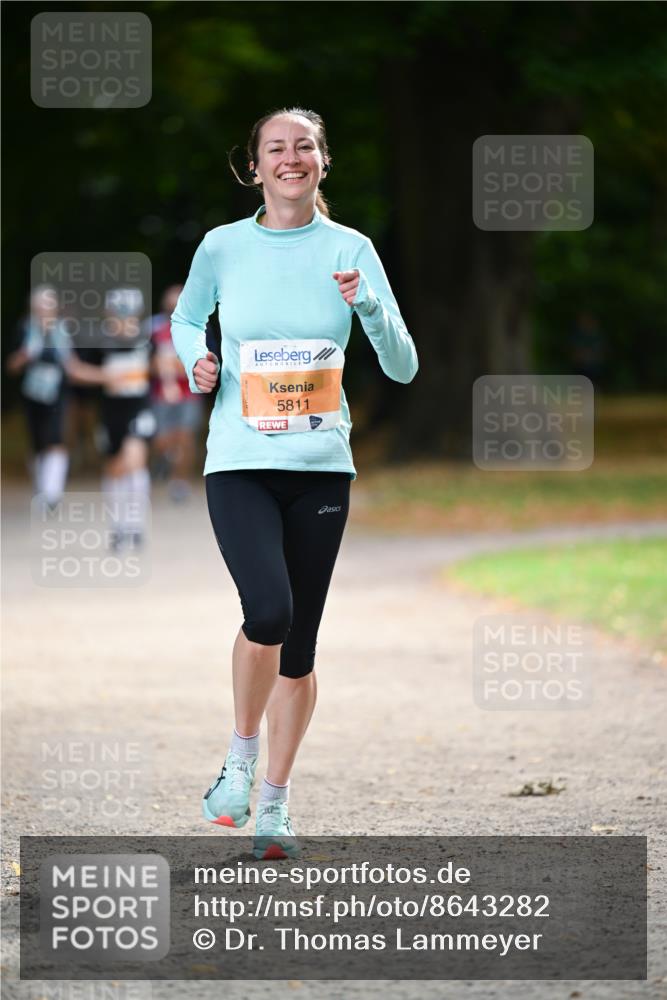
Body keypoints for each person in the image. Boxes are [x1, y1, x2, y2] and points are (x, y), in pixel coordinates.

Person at [171, 106, 418, 860]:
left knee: (300, 646)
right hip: (239, 462)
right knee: (269, 612)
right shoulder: (222, 246)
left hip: (320, 468)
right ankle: (239, 757)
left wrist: (366, 303)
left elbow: (403, 365)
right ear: (254, 167)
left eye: (303, 146)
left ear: (322, 160)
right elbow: (186, 321)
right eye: (275, 148)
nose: (290, 158)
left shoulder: (351, 249)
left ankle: (273, 808)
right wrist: (195, 362)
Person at [5, 285, 118, 508]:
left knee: (56, 439)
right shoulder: (24, 329)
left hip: (58, 394)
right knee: (37, 443)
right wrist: (24, 356)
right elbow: (11, 367)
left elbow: (73, 367)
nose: (44, 311)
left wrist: (103, 376)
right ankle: (42, 489)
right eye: (40, 306)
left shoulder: (64, 332)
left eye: (48, 306)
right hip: (31, 395)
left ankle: (52, 494)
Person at [95, 289, 156, 550]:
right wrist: (104, 377)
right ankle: (119, 528)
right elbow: (76, 370)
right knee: (114, 469)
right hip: (111, 413)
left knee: (134, 460)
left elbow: (159, 364)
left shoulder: (147, 339)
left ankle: (136, 526)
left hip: (139, 409)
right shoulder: (100, 341)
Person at [149, 284, 204, 502]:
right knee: (161, 439)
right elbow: (149, 364)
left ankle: (179, 481)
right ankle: (165, 460)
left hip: (189, 394)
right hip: (161, 394)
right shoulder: (153, 330)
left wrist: (173, 367)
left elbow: (201, 364)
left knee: (186, 438)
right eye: (169, 306)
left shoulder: (198, 329)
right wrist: (171, 367)